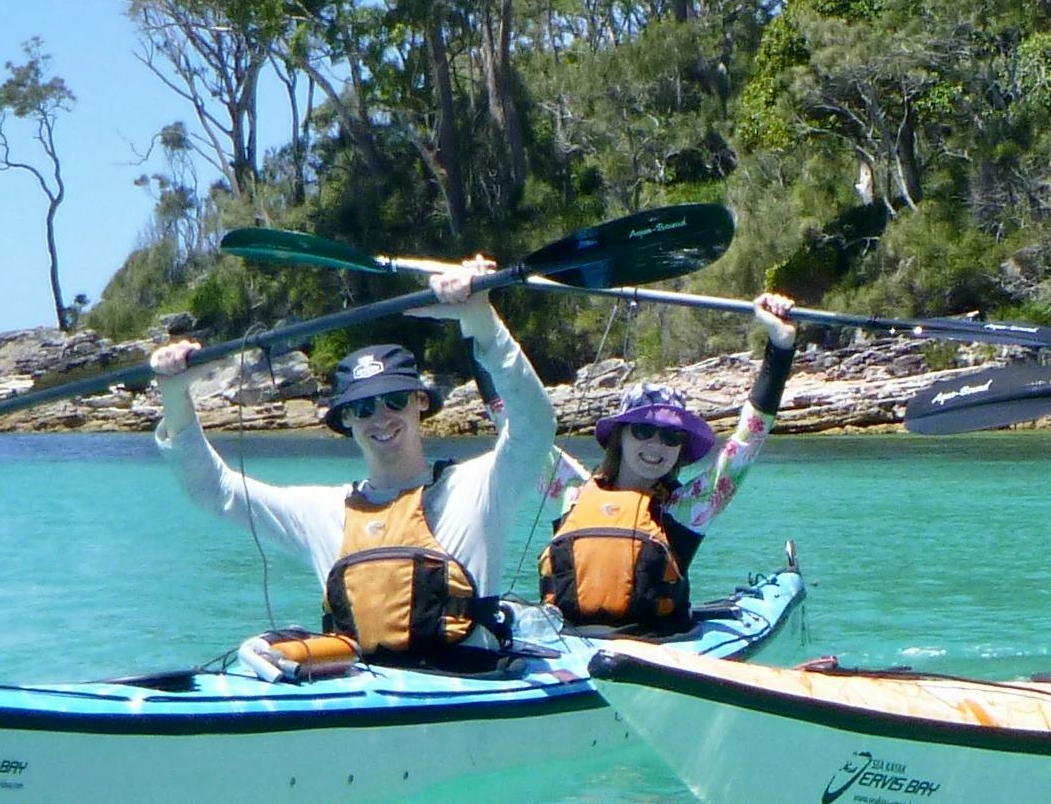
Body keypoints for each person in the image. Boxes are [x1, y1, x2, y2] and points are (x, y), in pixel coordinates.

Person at [147, 259, 560, 678]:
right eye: (362, 408)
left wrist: (481, 320)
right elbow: (215, 491)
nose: (380, 418)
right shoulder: (323, 512)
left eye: (394, 401)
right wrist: (175, 394)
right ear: (346, 421)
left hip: (466, 684)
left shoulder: (477, 489)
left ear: (420, 402)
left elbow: (535, 427)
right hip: (363, 691)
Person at [535, 292, 809, 636]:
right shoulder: (572, 493)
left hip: (656, 648)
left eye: (671, 437)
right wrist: (476, 325)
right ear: (621, 435)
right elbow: (514, 429)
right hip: (568, 648)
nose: (656, 445)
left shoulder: (688, 507)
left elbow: (747, 439)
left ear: (681, 448)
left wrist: (780, 347)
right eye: (644, 430)